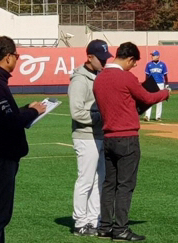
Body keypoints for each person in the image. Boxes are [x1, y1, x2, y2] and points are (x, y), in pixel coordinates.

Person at [93, 42, 170, 241]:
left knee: (109, 184)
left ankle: (105, 227)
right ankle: (120, 229)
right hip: (126, 137)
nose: (134, 66)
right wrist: (165, 93)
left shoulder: (99, 78)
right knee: (125, 185)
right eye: (134, 62)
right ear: (129, 59)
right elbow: (146, 97)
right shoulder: (125, 77)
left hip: (108, 136)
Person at [0, 36, 46, 243]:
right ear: (8, 57)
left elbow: (4, 115)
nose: (18, 59)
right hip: (0, 158)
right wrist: (33, 112)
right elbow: (12, 122)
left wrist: (26, 109)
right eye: (17, 56)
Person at [68, 39, 113, 236]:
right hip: (85, 136)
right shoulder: (79, 80)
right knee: (86, 180)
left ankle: (94, 219)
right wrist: (102, 117)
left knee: (99, 180)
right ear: (89, 57)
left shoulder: (99, 76)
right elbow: (77, 113)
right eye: (101, 59)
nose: (104, 62)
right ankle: (80, 222)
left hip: (99, 134)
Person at [143, 50, 169, 122]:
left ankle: (158, 116)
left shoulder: (163, 65)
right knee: (149, 99)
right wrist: (146, 84)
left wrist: (166, 84)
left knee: (159, 100)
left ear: (158, 56)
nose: (152, 56)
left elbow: (165, 75)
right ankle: (147, 116)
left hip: (160, 83)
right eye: (152, 55)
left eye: (153, 55)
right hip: (151, 83)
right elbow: (147, 75)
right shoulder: (149, 64)